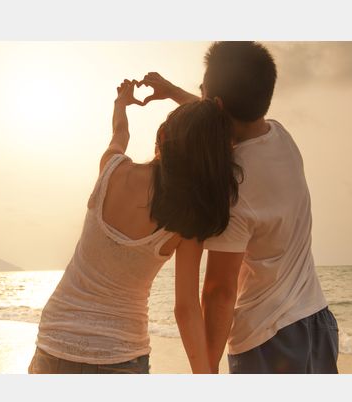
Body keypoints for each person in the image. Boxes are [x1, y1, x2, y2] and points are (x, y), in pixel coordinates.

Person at [139, 41, 339, 374]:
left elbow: (219, 291)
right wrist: (173, 92)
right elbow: (218, 119)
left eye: (202, 92)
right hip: (318, 323)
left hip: (267, 340)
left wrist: (207, 370)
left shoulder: (233, 187)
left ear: (215, 104)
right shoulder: (281, 136)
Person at [28, 79, 242, 374]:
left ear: (162, 135)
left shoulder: (111, 169)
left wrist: (121, 103)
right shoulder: (187, 219)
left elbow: (120, 132)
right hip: (119, 354)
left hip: (54, 340)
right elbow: (186, 308)